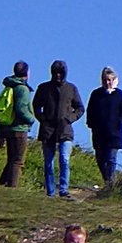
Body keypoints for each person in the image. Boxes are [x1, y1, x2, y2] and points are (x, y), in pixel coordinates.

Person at [32, 60, 84, 197]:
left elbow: (80, 108)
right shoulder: (43, 88)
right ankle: (50, 192)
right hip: (48, 130)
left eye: (61, 73)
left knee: (64, 160)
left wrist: (69, 119)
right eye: (56, 73)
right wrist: (42, 119)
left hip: (65, 130)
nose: (58, 76)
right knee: (48, 162)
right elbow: (36, 106)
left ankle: (63, 190)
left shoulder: (71, 89)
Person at [85, 66, 122, 185]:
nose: (107, 82)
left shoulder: (119, 95)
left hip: (114, 133)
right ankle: (107, 180)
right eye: (105, 80)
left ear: (114, 80)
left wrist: (120, 122)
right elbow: (90, 110)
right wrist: (91, 123)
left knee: (111, 159)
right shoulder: (96, 94)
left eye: (109, 80)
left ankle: (110, 183)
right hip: (99, 133)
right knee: (100, 159)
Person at [0, 61, 35, 188]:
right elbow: (21, 109)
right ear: (26, 73)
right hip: (19, 128)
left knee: (11, 159)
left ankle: (2, 184)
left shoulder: (9, 86)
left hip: (6, 126)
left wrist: (0, 132)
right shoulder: (22, 89)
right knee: (18, 161)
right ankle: (12, 187)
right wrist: (31, 119)